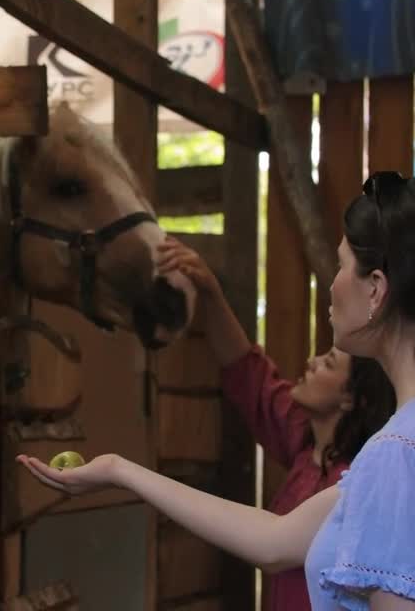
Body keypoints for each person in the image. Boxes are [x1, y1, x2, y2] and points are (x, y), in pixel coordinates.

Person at [18, 171, 415, 610]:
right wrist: (118, 470)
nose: (331, 286)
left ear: (375, 289)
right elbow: (275, 540)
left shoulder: (404, 454)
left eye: (340, 265)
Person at [156, 235, 396, 611]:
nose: (312, 363)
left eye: (329, 364)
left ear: (350, 398)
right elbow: (248, 371)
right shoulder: (304, 443)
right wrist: (210, 293)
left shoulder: (354, 481)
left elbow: (273, 550)